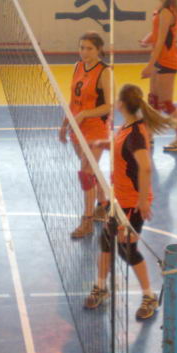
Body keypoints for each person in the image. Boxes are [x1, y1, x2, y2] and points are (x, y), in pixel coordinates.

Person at [84, 84, 173, 320]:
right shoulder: (127, 127)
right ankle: (101, 286)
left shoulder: (135, 134)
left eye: (117, 99)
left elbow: (145, 166)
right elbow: (122, 149)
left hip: (132, 202)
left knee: (127, 250)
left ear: (121, 104)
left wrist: (143, 201)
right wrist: (104, 144)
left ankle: (149, 296)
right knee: (105, 241)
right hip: (119, 198)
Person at [58, 32, 113, 239]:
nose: (84, 52)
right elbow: (73, 101)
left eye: (89, 48)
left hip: (96, 129)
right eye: (82, 47)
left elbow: (109, 106)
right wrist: (65, 124)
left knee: (86, 173)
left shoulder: (105, 72)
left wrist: (84, 114)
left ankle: (87, 221)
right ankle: (104, 204)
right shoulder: (78, 66)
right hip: (77, 127)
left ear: (99, 50)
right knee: (91, 169)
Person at [140, 0, 177, 153]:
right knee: (153, 100)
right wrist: (147, 39)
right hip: (159, 58)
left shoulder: (167, 11)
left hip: (166, 60)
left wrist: (150, 65)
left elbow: (161, 41)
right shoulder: (161, 9)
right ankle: (149, 135)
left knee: (166, 103)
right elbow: (158, 33)